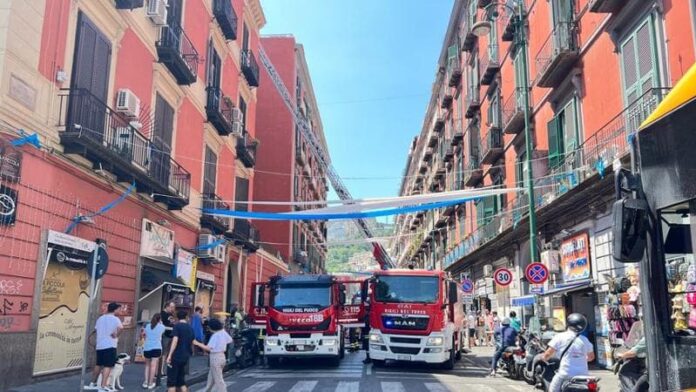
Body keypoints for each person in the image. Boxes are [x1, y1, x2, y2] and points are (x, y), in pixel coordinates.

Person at [542, 313, 595, 392]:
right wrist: (580, 357)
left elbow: (548, 354)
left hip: (565, 374)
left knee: (552, 389)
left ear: (569, 324)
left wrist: (543, 358)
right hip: (583, 376)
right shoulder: (585, 340)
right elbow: (591, 358)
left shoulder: (560, 337)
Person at [166, 310, 208, 392]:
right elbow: (193, 341)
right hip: (185, 356)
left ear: (177, 318)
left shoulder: (177, 326)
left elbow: (175, 340)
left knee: (171, 382)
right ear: (186, 317)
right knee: (181, 381)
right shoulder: (190, 328)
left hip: (176, 356)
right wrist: (205, 347)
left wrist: (170, 355)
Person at [86, 302, 123, 392]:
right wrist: (116, 335)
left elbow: (96, 329)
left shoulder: (100, 318)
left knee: (98, 364)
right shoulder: (115, 319)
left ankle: (92, 383)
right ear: (115, 310)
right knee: (108, 366)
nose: (120, 311)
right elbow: (121, 328)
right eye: (119, 309)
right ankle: (103, 386)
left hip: (100, 345)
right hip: (110, 345)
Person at [201, 318, 233, 392]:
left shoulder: (215, 335)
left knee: (218, 380)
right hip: (222, 356)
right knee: (211, 378)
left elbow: (208, 348)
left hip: (215, 357)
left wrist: (197, 343)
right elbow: (230, 340)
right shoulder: (223, 332)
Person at [142, 313, 166, 389]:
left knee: (147, 365)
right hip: (157, 347)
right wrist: (161, 323)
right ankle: (150, 383)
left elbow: (144, 334)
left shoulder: (148, 326)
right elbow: (162, 333)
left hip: (147, 347)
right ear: (160, 319)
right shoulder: (162, 326)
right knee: (153, 366)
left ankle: (145, 382)